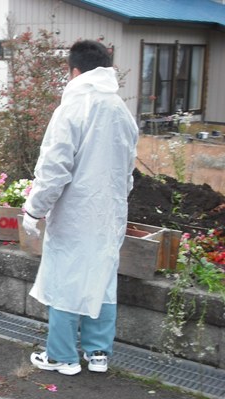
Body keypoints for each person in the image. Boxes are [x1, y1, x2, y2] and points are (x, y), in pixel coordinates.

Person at [23, 40, 139, 375]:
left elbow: (54, 168)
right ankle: (98, 352)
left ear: (74, 71)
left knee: (65, 279)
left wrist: (35, 209)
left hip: (75, 211)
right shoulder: (120, 111)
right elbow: (127, 169)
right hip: (110, 212)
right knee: (101, 277)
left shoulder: (73, 108)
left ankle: (62, 357)